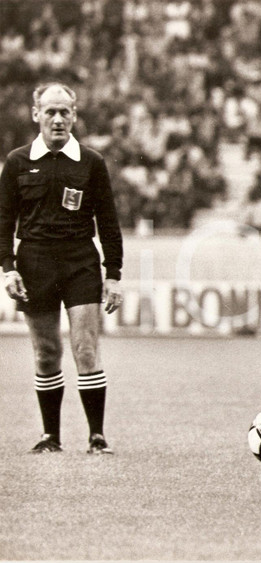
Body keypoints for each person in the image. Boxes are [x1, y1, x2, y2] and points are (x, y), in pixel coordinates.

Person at [0, 82, 124, 454]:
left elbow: (109, 223)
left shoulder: (91, 162)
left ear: (75, 115)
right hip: (34, 261)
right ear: (36, 114)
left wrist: (113, 274)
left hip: (79, 260)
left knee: (85, 348)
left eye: (64, 112)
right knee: (46, 352)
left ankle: (96, 436)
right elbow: (4, 220)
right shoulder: (18, 161)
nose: (58, 119)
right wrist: (8, 268)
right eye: (50, 111)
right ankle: (50, 436)